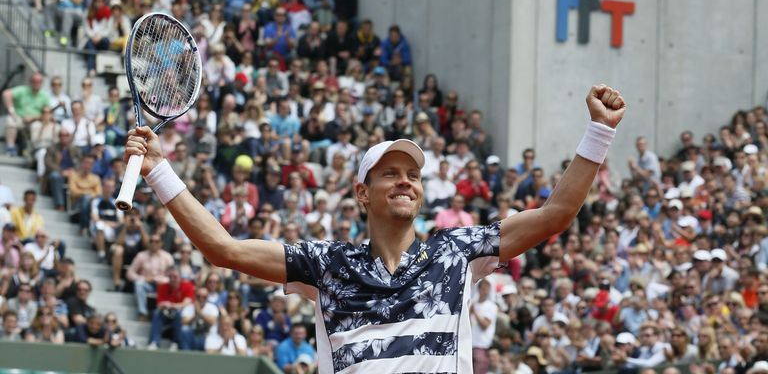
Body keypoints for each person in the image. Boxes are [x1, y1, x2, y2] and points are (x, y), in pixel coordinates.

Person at [123, 85, 625, 371]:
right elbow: (222, 248)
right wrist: (159, 170)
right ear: (362, 192)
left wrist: (599, 132)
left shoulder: (455, 254)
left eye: (413, 174)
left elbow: (555, 214)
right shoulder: (327, 267)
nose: (406, 180)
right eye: (391, 173)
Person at [3, 72, 49, 156]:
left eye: (39, 81)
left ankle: (33, 149)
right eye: (34, 81)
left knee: (37, 125)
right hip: (19, 118)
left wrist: (34, 118)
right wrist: (12, 111)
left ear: (42, 83)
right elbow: (6, 94)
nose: (36, 83)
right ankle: (10, 148)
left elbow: (47, 112)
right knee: (10, 120)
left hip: (35, 120)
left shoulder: (44, 95)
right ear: (30, 81)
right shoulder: (23, 90)